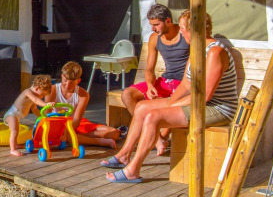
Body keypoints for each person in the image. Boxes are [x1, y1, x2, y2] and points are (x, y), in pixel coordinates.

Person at [102, 10, 238, 183]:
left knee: (154, 116)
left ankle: (132, 170)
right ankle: (124, 156)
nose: (180, 32)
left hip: (218, 108)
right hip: (199, 102)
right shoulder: (197, 51)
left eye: (182, 28)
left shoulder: (215, 52)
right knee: (142, 107)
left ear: (194, 30)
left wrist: (167, 107)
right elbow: (186, 85)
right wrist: (170, 102)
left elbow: (204, 97)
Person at [121, 3, 189, 154]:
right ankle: (158, 138)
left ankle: (160, 136)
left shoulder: (185, 35)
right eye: (151, 25)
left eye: (156, 24)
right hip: (165, 80)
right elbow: (149, 69)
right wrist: (150, 85)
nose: (153, 28)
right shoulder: (154, 38)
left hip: (182, 83)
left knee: (166, 103)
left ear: (168, 21)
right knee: (127, 94)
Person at [46, 61, 121, 149]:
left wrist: (67, 132)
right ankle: (97, 141)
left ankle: (75, 137)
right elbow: (47, 114)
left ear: (78, 81)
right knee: (61, 134)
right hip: (58, 123)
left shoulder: (83, 94)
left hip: (74, 124)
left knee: (115, 133)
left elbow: (77, 120)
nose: (67, 85)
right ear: (62, 76)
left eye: (72, 82)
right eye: (65, 81)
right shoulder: (52, 90)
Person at [4, 75, 53, 157]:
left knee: (16, 131)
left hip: (16, 115)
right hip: (11, 114)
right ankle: (13, 150)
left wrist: (43, 117)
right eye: (42, 95)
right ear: (37, 88)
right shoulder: (28, 92)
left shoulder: (34, 97)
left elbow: (35, 109)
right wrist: (46, 104)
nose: (42, 97)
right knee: (14, 131)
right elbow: (36, 100)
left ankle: (15, 145)